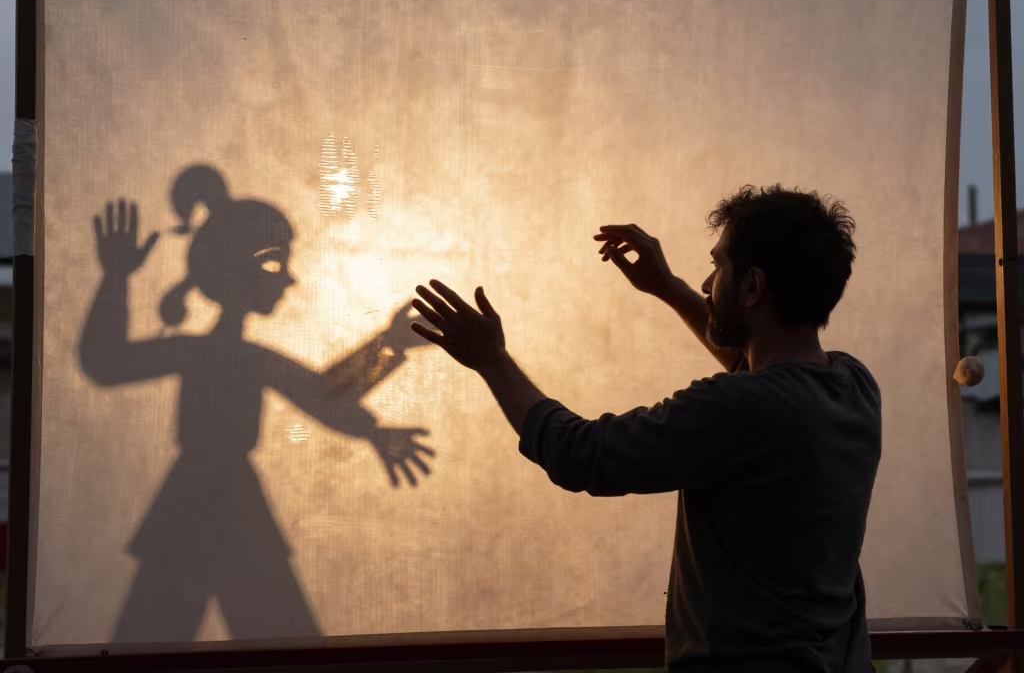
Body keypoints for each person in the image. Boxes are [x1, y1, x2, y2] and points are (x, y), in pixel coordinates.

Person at [411, 184, 881, 673]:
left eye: (719, 267)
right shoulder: (854, 385)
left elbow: (579, 454)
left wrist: (492, 360)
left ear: (753, 287)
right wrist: (667, 286)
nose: (705, 283)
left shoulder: (739, 408)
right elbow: (757, 375)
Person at [81, 165, 433, 642]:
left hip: (208, 507)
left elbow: (323, 396)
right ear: (235, 268)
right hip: (214, 509)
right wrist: (115, 280)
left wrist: (387, 358)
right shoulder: (212, 354)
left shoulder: (237, 357)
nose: (288, 278)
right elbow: (107, 363)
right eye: (273, 262)